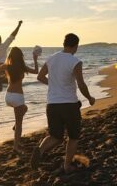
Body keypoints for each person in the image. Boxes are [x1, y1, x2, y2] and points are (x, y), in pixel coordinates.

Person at [30, 33, 96, 173]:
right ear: (76, 46)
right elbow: (81, 84)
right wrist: (90, 98)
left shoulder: (51, 58)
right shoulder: (75, 61)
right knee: (73, 136)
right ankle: (67, 165)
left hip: (52, 104)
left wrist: (54, 85)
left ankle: (40, 150)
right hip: (69, 105)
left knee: (55, 136)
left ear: (64, 43)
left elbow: (40, 77)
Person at [0, 47, 39, 153]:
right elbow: (36, 71)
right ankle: (16, 146)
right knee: (19, 124)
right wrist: (35, 59)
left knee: (25, 108)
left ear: (10, 56)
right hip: (18, 97)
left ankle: (15, 129)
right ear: (20, 57)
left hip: (8, 96)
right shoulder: (22, 67)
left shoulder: (7, 66)